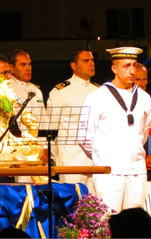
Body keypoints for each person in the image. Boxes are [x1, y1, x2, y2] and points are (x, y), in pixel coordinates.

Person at [80, 47, 151, 213]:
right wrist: (103, 157)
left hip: (137, 171)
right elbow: (84, 137)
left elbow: (142, 133)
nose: (132, 71)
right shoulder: (97, 97)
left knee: (135, 226)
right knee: (108, 222)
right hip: (109, 172)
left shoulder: (144, 98)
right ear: (114, 68)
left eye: (134, 65)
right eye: (126, 66)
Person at [47, 48, 98, 194]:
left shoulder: (99, 90)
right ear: (74, 66)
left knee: (96, 202)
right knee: (72, 199)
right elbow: (51, 126)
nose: (91, 64)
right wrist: (52, 155)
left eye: (92, 60)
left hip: (95, 156)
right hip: (70, 156)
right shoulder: (61, 91)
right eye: (86, 61)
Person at [8, 49, 45, 183]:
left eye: (29, 64)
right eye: (23, 65)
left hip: (38, 150)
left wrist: (46, 148)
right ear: (11, 68)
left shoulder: (36, 91)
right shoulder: (7, 89)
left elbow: (44, 122)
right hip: (19, 151)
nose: (28, 68)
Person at [134, 63, 151, 216]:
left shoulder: (149, 102)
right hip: (136, 166)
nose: (141, 84)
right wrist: (142, 158)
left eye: (144, 79)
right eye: (137, 79)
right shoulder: (125, 106)